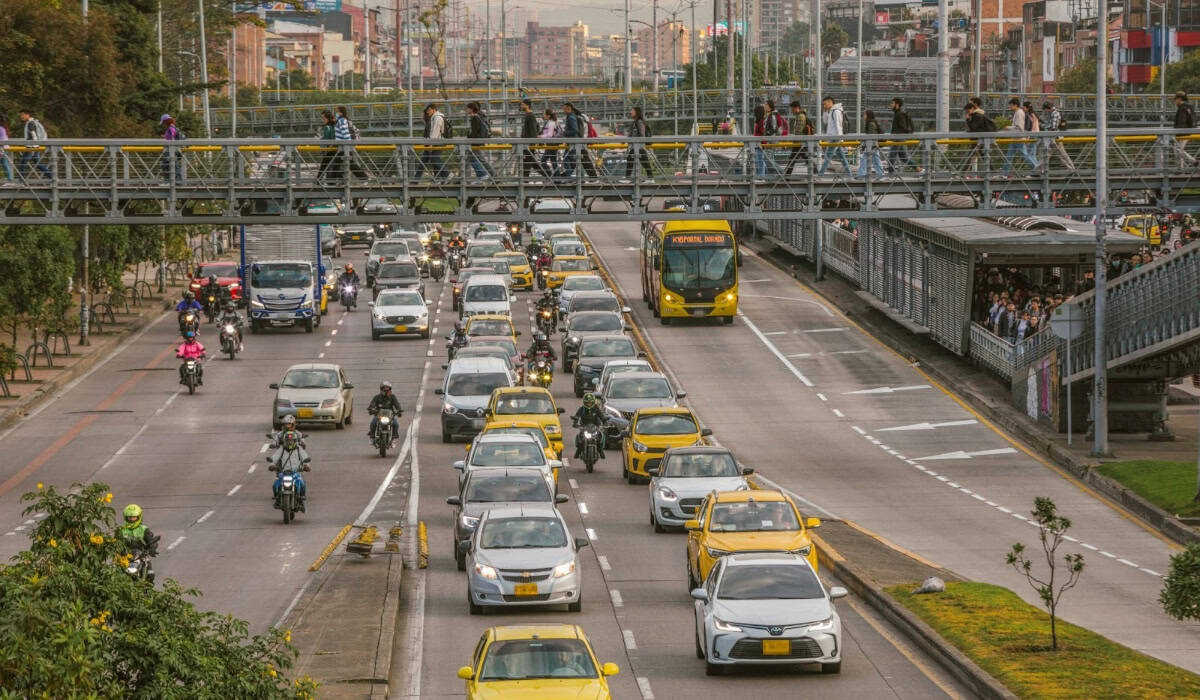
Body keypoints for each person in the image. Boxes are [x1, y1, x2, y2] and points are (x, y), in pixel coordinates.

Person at [118, 504, 160, 580]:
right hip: (125, 556)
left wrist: (152, 548)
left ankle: (148, 588)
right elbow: (115, 542)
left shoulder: (144, 529)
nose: (131, 519)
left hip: (141, 555)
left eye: (134, 517)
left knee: (150, 574)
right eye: (129, 517)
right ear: (125, 518)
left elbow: (151, 540)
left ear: (139, 517)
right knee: (116, 573)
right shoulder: (121, 530)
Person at [815, 96, 851, 176]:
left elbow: (838, 126)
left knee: (827, 158)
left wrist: (840, 139)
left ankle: (820, 175)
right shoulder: (831, 111)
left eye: (825, 104)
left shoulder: (836, 111)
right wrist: (824, 111)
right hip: (833, 138)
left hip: (835, 138)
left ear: (830, 102)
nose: (824, 106)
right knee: (842, 158)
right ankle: (849, 174)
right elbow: (825, 121)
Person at [1002, 97, 1039, 174]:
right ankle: (1005, 172)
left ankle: (1037, 168)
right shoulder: (1017, 112)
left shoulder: (1019, 113)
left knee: (1025, 155)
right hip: (1015, 138)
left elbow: (1019, 127)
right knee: (1009, 155)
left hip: (1018, 138)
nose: (1010, 107)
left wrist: (1008, 128)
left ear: (1015, 105)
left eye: (1011, 105)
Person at [518, 99, 549, 179]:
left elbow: (533, 130)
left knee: (527, 162)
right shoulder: (528, 115)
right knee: (531, 162)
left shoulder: (530, 116)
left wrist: (532, 143)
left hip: (528, 143)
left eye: (522, 104)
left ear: (527, 105)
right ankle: (548, 176)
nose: (521, 106)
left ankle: (524, 181)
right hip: (527, 143)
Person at [17, 109, 51, 180]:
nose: (21, 116)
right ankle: (52, 176)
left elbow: (34, 136)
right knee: (38, 164)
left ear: (27, 115)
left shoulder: (30, 123)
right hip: (34, 147)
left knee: (22, 163)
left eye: (22, 115)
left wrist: (33, 148)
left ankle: (21, 181)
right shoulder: (32, 122)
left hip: (31, 147)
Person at [1040, 101, 1075, 169]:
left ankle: (1073, 169)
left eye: (1045, 109)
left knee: (1062, 155)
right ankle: (1072, 169)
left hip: (1055, 139)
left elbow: (1053, 127)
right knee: (1060, 155)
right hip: (1054, 139)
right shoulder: (1053, 113)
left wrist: (1042, 125)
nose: (1045, 111)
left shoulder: (1054, 114)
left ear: (1048, 108)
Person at [335, 106, 367, 178]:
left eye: (337, 111)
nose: (336, 113)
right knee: (339, 163)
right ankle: (337, 181)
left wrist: (347, 144)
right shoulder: (343, 120)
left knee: (342, 163)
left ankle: (363, 177)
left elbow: (345, 133)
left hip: (344, 146)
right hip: (344, 145)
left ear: (341, 112)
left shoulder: (342, 120)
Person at [465, 102, 494, 182]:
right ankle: (464, 178)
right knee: (469, 159)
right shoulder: (477, 117)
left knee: (478, 159)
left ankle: (485, 175)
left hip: (476, 142)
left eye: (467, 108)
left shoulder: (475, 118)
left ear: (471, 109)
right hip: (477, 141)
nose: (466, 110)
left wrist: (469, 137)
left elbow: (474, 131)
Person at [572, 393, 606, 460]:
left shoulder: (596, 408)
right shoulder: (582, 409)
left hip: (595, 426)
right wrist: (575, 422)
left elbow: (601, 416)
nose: (589, 404)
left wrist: (605, 421)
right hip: (584, 427)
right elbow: (577, 416)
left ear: (593, 402)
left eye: (590, 403)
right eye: (587, 403)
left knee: (599, 437)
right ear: (584, 402)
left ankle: (601, 451)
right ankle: (578, 451)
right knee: (580, 438)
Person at [623, 106, 653, 183]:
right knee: (644, 162)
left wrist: (634, 140)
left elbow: (642, 135)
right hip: (637, 146)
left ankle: (627, 178)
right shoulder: (635, 122)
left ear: (636, 112)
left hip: (638, 146)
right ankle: (651, 178)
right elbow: (632, 134)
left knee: (631, 159)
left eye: (632, 111)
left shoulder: (639, 122)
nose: (630, 112)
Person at [856, 109, 886, 179]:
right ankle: (881, 175)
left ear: (868, 115)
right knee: (876, 160)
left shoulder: (870, 124)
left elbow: (871, 136)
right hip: (873, 145)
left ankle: (862, 175)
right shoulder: (871, 123)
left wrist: (865, 145)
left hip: (871, 145)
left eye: (864, 114)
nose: (863, 116)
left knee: (864, 159)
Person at [422, 103, 449, 181]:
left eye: (429, 110)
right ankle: (441, 178)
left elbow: (435, 132)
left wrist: (430, 143)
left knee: (434, 159)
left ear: (433, 109)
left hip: (437, 142)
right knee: (434, 160)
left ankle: (447, 174)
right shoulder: (436, 117)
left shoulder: (437, 118)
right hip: (437, 141)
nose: (428, 112)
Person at [888, 97, 916, 173]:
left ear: (897, 105)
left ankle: (890, 175)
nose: (891, 105)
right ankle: (917, 168)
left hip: (898, 139)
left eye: (892, 103)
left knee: (891, 157)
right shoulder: (898, 113)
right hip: (899, 138)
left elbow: (903, 127)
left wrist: (897, 135)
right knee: (904, 158)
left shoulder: (899, 114)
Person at [783, 102, 810, 175]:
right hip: (799, 141)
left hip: (799, 142)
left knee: (793, 159)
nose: (792, 111)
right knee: (801, 158)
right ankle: (786, 175)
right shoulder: (799, 115)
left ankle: (786, 176)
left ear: (797, 108)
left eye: (792, 109)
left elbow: (799, 130)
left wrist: (795, 138)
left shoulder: (800, 116)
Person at [1172, 92, 1197, 167]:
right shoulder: (1189, 106)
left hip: (1183, 132)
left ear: (1179, 99)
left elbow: (1181, 121)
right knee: (1178, 150)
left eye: (1175, 99)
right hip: (1188, 131)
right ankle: (1180, 168)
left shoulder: (1182, 108)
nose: (1174, 102)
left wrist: (1177, 132)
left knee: (1178, 150)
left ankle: (1193, 161)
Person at [159, 114, 184, 183]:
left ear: (165, 122)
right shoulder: (173, 127)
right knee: (173, 165)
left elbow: (172, 136)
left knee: (167, 165)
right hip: (174, 149)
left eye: (163, 123)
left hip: (172, 150)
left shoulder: (171, 128)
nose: (163, 125)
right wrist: (165, 136)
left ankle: (169, 181)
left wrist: (168, 138)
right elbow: (172, 136)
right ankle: (177, 181)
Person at [317, 110, 339, 180]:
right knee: (333, 165)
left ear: (328, 118)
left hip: (331, 149)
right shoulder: (335, 125)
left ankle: (319, 180)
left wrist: (319, 140)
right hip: (336, 148)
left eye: (324, 118)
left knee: (325, 165)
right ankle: (321, 180)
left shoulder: (327, 127)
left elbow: (326, 139)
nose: (323, 120)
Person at [0, 113, 11, 184]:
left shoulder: (1, 128)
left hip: (2, 149)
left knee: (5, 164)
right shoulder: (3, 127)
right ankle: (9, 180)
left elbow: (2, 140)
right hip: (4, 148)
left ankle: (9, 180)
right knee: (5, 164)